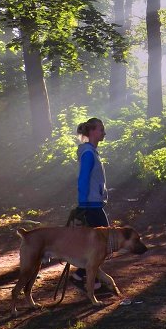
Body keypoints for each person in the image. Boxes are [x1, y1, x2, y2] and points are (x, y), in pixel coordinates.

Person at [70, 117, 108, 287]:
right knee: (103, 243)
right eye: (101, 129)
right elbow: (83, 179)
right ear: (92, 132)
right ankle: (88, 280)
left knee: (99, 244)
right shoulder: (88, 153)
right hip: (90, 206)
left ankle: (82, 276)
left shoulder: (91, 152)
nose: (104, 132)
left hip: (94, 203)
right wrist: (83, 205)